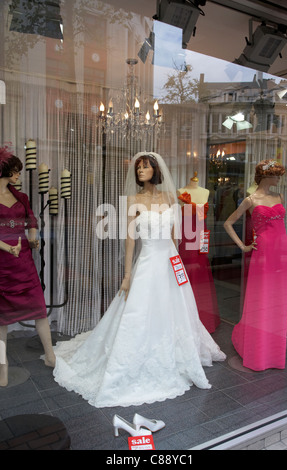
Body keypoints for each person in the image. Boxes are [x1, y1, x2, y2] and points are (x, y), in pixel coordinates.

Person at [52, 152, 226, 408]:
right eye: (139, 168)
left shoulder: (170, 198)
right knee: (139, 311)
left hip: (169, 262)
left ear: (156, 170)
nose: (141, 171)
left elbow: (175, 237)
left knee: (173, 310)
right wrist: (127, 275)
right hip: (147, 262)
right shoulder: (132, 200)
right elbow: (130, 239)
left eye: (146, 167)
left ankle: (178, 354)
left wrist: (178, 266)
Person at [224, 159, 287, 371]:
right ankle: (257, 349)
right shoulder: (250, 199)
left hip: (282, 250)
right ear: (266, 176)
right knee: (262, 297)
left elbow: (281, 226)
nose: (279, 178)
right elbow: (228, 223)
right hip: (263, 252)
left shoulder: (279, 196)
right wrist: (243, 246)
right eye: (276, 174)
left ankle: (273, 348)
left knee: (277, 298)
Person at [0, 147, 56, 387]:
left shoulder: (21, 197)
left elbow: (31, 221)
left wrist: (33, 239)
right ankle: (2, 367)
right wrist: (5, 247)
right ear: (6, 172)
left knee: (39, 309)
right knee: (1, 320)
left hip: (23, 261)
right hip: (2, 264)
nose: (19, 177)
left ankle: (51, 355)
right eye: (15, 172)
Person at [177, 172, 220, 333]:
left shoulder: (205, 192)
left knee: (201, 271)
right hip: (186, 235)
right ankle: (185, 316)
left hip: (201, 232)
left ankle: (204, 318)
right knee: (187, 270)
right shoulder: (180, 192)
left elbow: (203, 218)